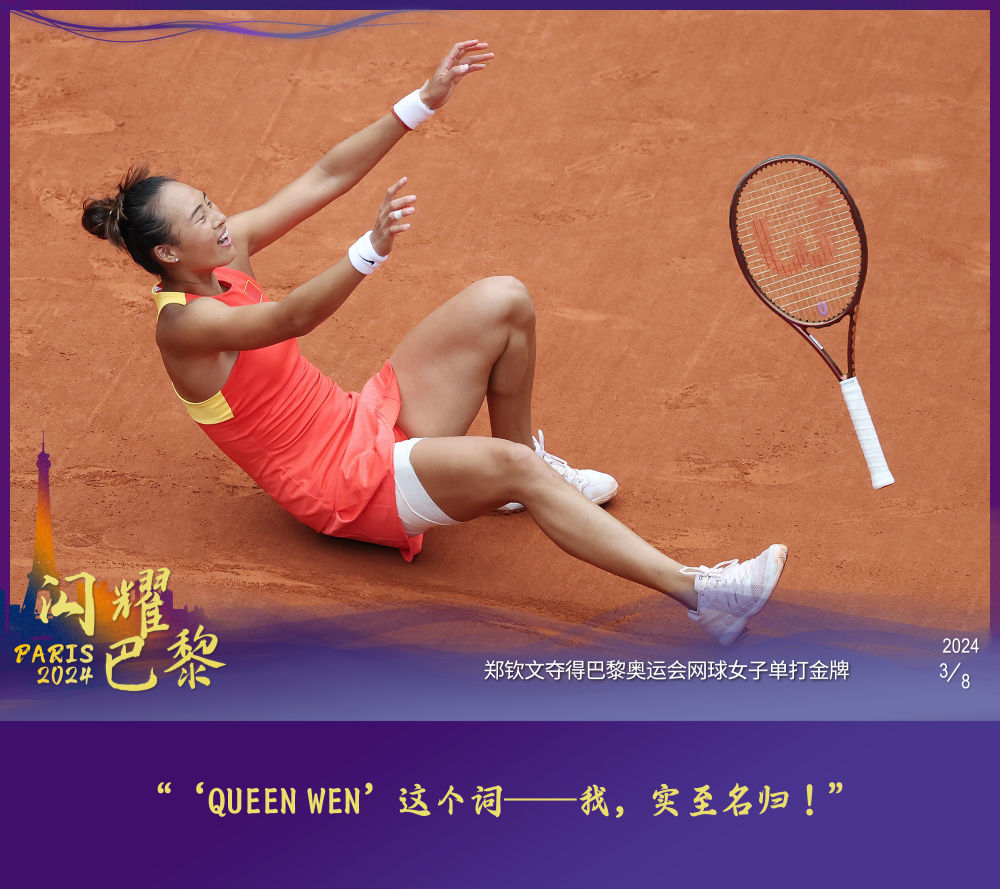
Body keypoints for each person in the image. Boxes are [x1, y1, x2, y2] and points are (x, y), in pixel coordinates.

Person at [81, 39, 786, 646]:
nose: (218, 216)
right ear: (169, 253)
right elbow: (291, 318)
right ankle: (702, 595)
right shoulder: (186, 327)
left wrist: (422, 100)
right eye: (200, 216)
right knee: (512, 466)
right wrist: (368, 250)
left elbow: (326, 175)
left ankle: (521, 478)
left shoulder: (224, 255)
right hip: (344, 487)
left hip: (363, 423)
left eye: (208, 200)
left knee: (503, 300)